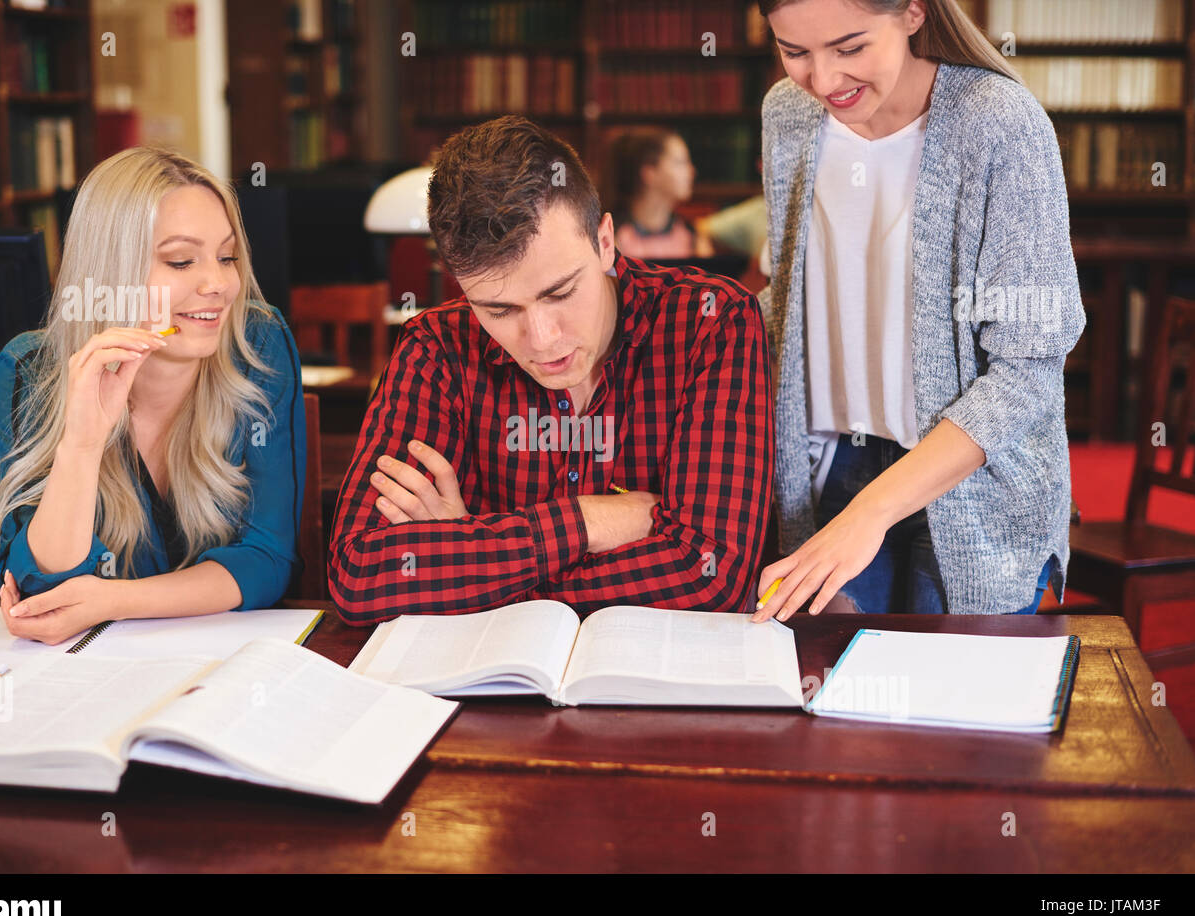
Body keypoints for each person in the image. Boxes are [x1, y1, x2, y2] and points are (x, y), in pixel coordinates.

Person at [329, 115, 774, 625]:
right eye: (499, 310)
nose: (541, 340)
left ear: (605, 241)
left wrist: (469, 553)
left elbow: (709, 573)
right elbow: (360, 576)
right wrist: (588, 521)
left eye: (560, 293)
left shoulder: (709, 322)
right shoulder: (436, 344)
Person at [751, 0, 1085, 621]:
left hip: (972, 486)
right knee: (825, 706)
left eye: (849, 48)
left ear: (911, 13)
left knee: (946, 712)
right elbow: (792, 295)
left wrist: (872, 513)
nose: (823, 81)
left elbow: (1027, 370)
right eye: (794, 51)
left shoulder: (999, 125)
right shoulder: (788, 115)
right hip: (829, 466)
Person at [0, 146, 306, 644]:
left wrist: (114, 600)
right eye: (181, 262)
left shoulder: (257, 342)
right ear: (110, 274)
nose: (219, 284)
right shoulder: (32, 369)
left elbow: (269, 559)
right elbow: (40, 588)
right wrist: (83, 444)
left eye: (227, 257)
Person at [606, 127, 714, 259]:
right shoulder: (612, 236)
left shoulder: (692, 237)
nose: (692, 171)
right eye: (680, 163)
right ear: (649, 172)